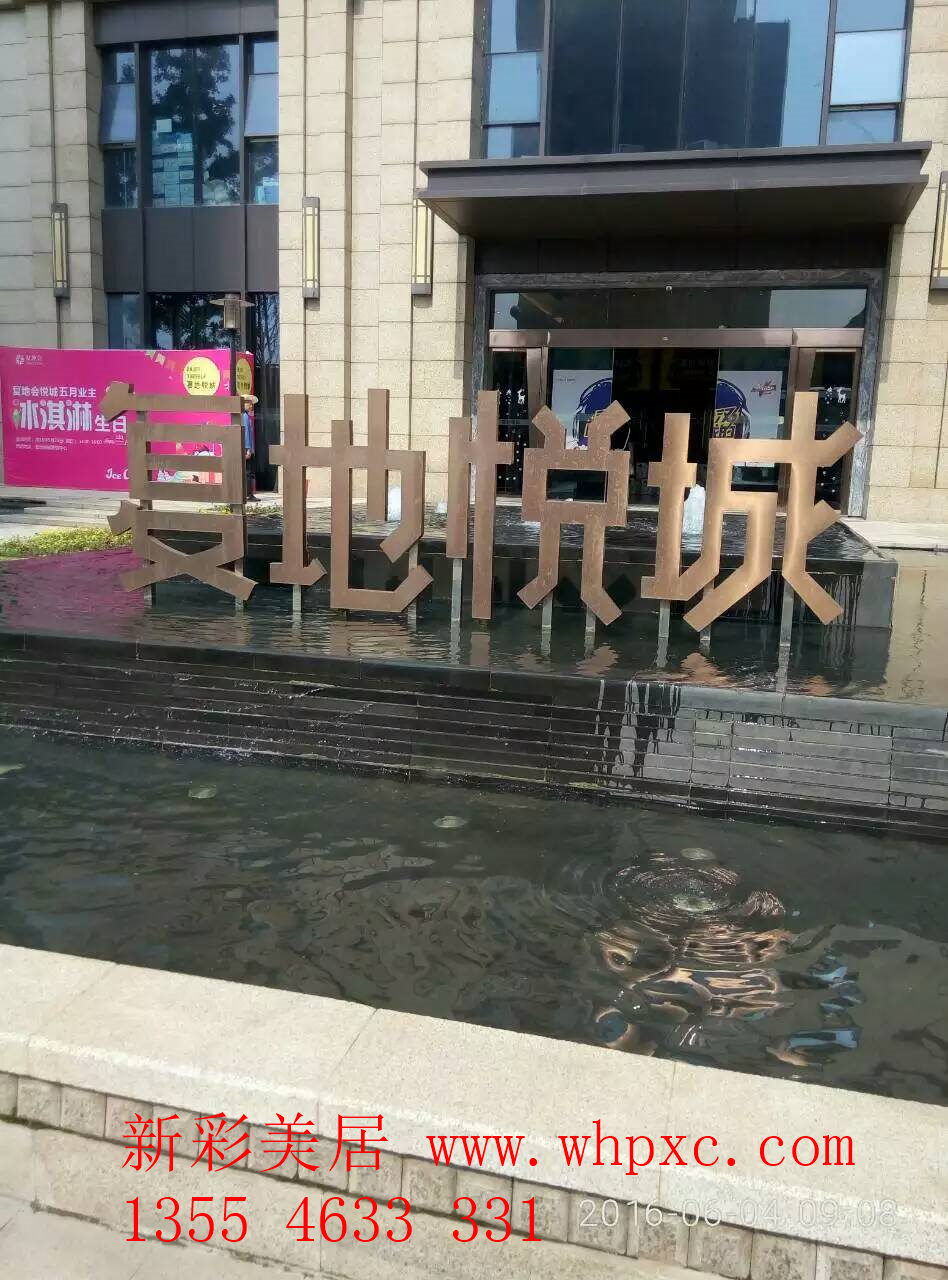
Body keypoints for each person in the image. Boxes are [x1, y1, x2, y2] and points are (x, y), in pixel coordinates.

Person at [241, 395, 258, 501]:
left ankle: (247, 493)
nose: (251, 406)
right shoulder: (244, 416)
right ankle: (248, 494)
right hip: (246, 449)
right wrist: (248, 449)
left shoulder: (243, 415)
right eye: (249, 404)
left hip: (246, 448)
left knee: (247, 472)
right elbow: (246, 434)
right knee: (248, 472)